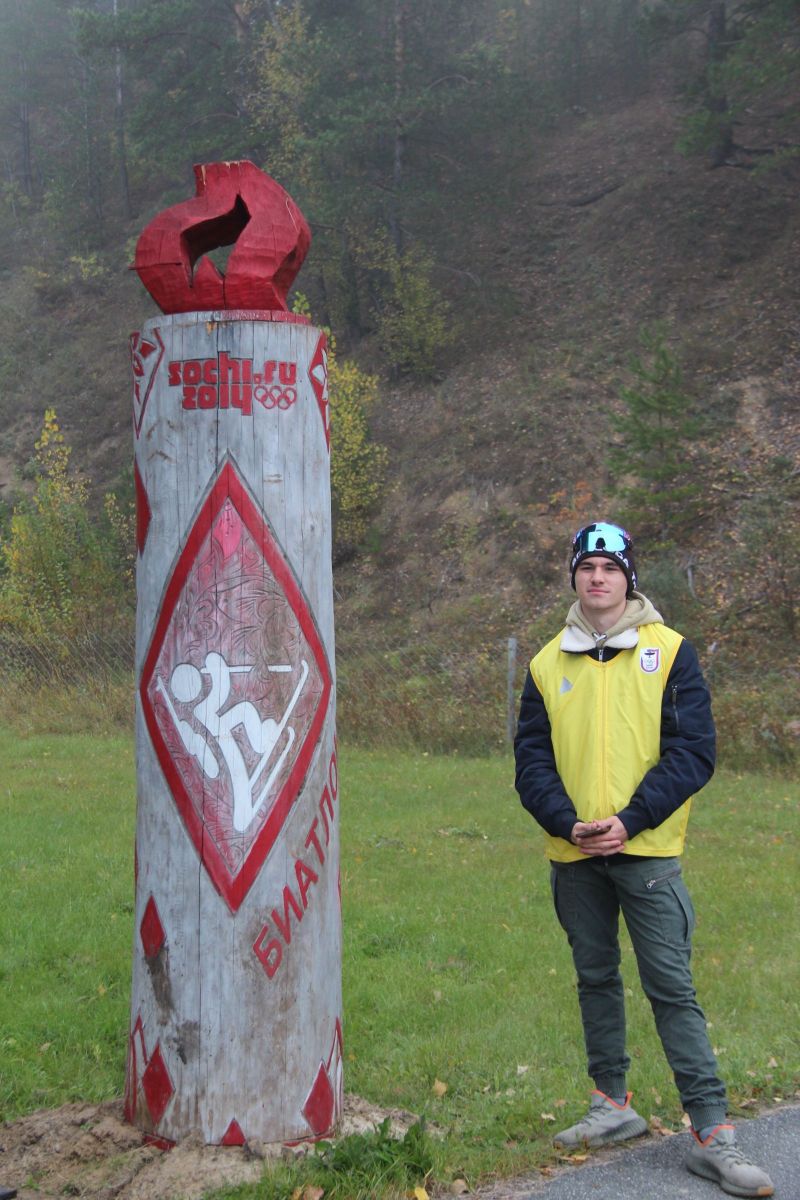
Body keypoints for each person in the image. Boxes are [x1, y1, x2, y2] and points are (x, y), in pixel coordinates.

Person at [514, 522, 774, 1199]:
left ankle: (714, 1134)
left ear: (629, 577)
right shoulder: (546, 663)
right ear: (574, 577)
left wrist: (630, 821)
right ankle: (612, 1104)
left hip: (648, 852)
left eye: (610, 567)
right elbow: (531, 763)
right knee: (595, 978)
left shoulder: (672, 652)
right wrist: (568, 823)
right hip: (574, 853)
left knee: (672, 989)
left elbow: (693, 753)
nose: (597, 577)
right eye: (587, 567)